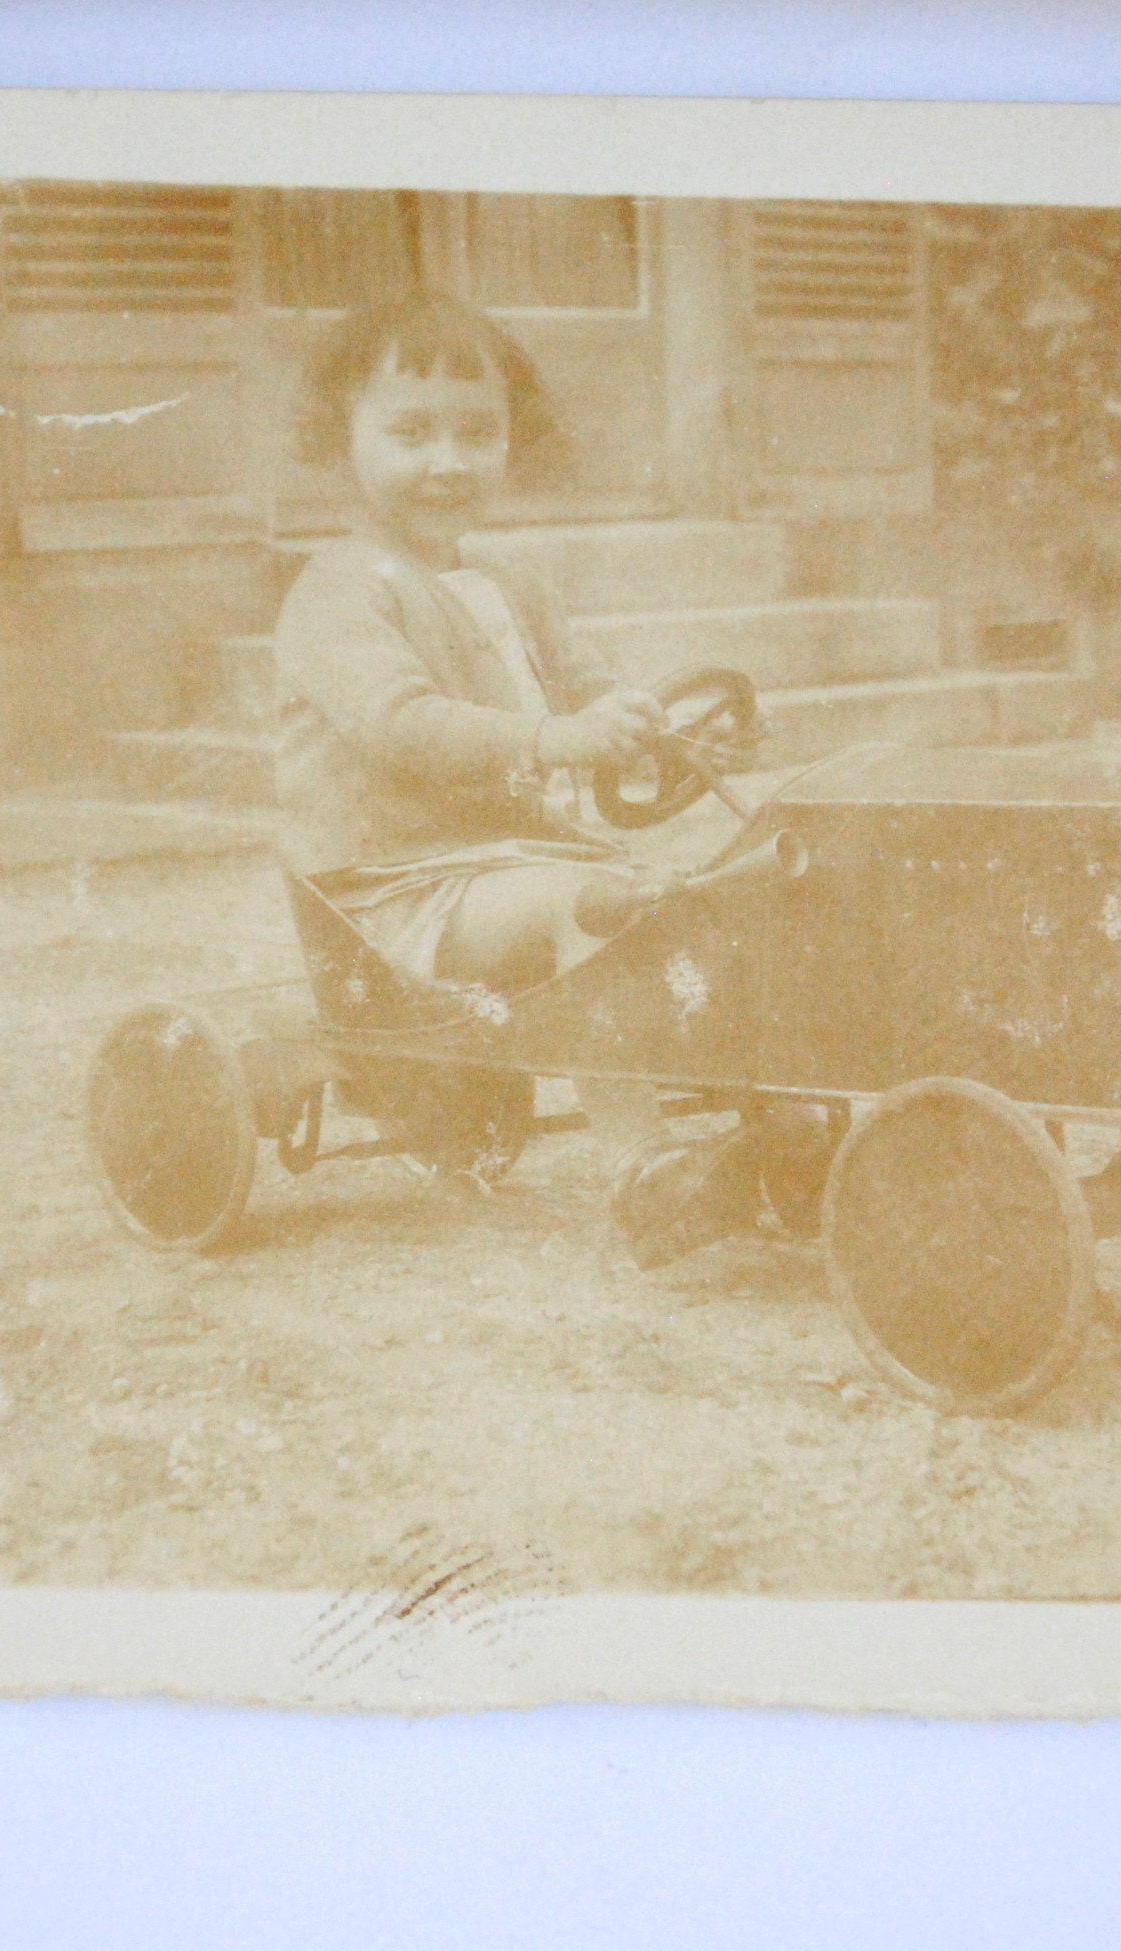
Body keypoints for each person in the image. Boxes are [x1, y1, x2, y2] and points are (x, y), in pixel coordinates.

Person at [272, 290, 764, 1268]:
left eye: (477, 432)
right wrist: (554, 739)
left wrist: (667, 735)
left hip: (506, 866)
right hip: (397, 893)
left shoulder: (511, 582)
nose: (448, 461)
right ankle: (641, 1167)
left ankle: (775, 1126)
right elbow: (402, 726)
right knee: (593, 904)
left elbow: (591, 691)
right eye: (411, 433)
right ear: (340, 438)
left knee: (718, 891)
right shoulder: (337, 592)